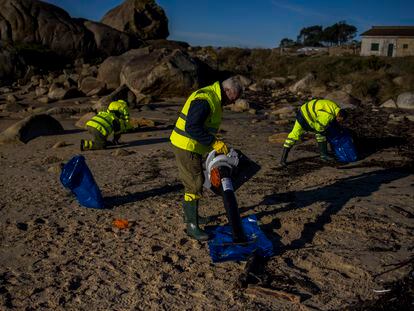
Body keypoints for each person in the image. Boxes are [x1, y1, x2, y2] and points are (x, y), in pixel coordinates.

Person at [170, 77, 243, 241]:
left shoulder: (214, 97)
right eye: (234, 98)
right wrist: (214, 143)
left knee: (194, 181)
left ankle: (190, 217)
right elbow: (192, 127)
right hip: (186, 146)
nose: (232, 102)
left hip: (191, 146)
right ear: (228, 91)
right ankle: (192, 226)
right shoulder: (206, 99)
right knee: (195, 184)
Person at [280, 98, 348, 166]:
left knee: (320, 133)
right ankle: (283, 160)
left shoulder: (336, 107)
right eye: (340, 120)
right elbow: (318, 128)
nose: (340, 122)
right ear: (339, 116)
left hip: (305, 109)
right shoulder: (327, 116)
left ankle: (323, 155)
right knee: (295, 136)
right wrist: (324, 132)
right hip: (305, 116)